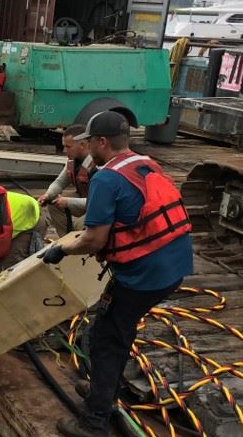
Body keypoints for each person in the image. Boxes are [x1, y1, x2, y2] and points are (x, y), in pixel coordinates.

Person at [41, 111, 193, 437]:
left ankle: (95, 419)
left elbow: (94, 238)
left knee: (104, 340)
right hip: (174, 266)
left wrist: (61, 250)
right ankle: (103, 388)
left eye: (89, 142)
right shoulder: (145, 163)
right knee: (113, 331)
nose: (87, 148)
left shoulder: (106, 179)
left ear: (101, 142)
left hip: (143, 275)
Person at [38, 124, 96, 236]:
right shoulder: (72, 161)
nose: (64, 150)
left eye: (68, 147)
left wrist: (68, 202)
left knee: (81, 224)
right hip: (85, 200)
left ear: (82, 145)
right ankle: (65, 242)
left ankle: (81, 246)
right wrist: (48, 195)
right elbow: (60, 182)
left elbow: (99, 202)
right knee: (54, 202)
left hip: (99, 205)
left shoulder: (97, 165)